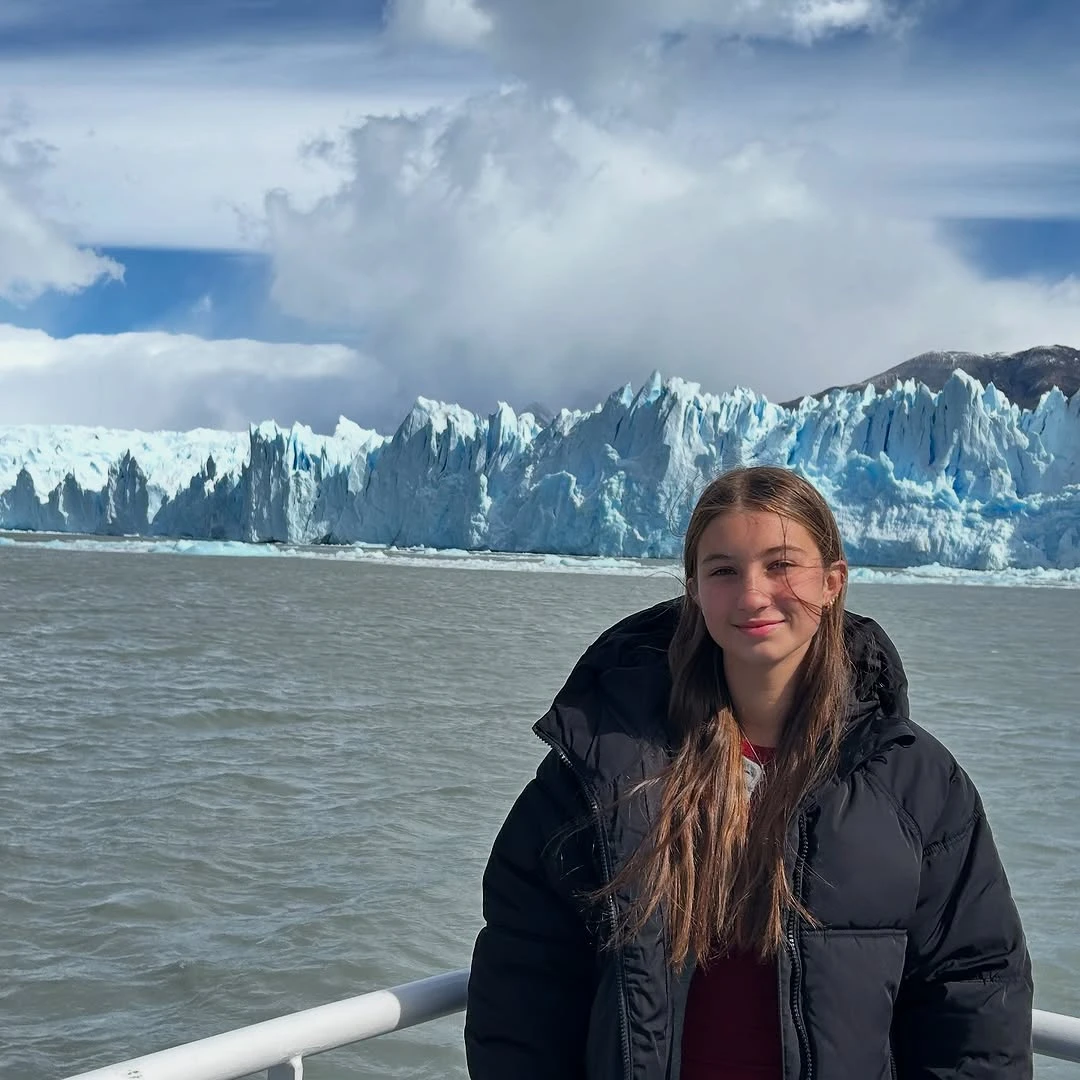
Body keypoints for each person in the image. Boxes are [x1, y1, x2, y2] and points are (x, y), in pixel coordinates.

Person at [464, 465, 1033, 1080]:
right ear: (694, 589)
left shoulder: (915, 782)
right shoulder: (604, 766)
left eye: (781, 564)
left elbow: (972, 995)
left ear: (833, 582)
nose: (753, 594)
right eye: (724, 570)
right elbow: (523, 980)